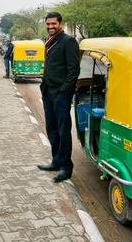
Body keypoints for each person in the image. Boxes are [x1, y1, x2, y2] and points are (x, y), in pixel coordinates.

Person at [38, 12, 81, 182]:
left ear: (60, 24)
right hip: (48, 92)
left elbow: (74, 70)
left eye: (53, 24)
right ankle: (56, 161)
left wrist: (65, 92)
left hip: (60, 95)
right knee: (52, 129)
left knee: (63, 131)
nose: (50, 26)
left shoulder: (68, 41)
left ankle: (65, 167)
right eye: (48, 24)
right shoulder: (49, 42)